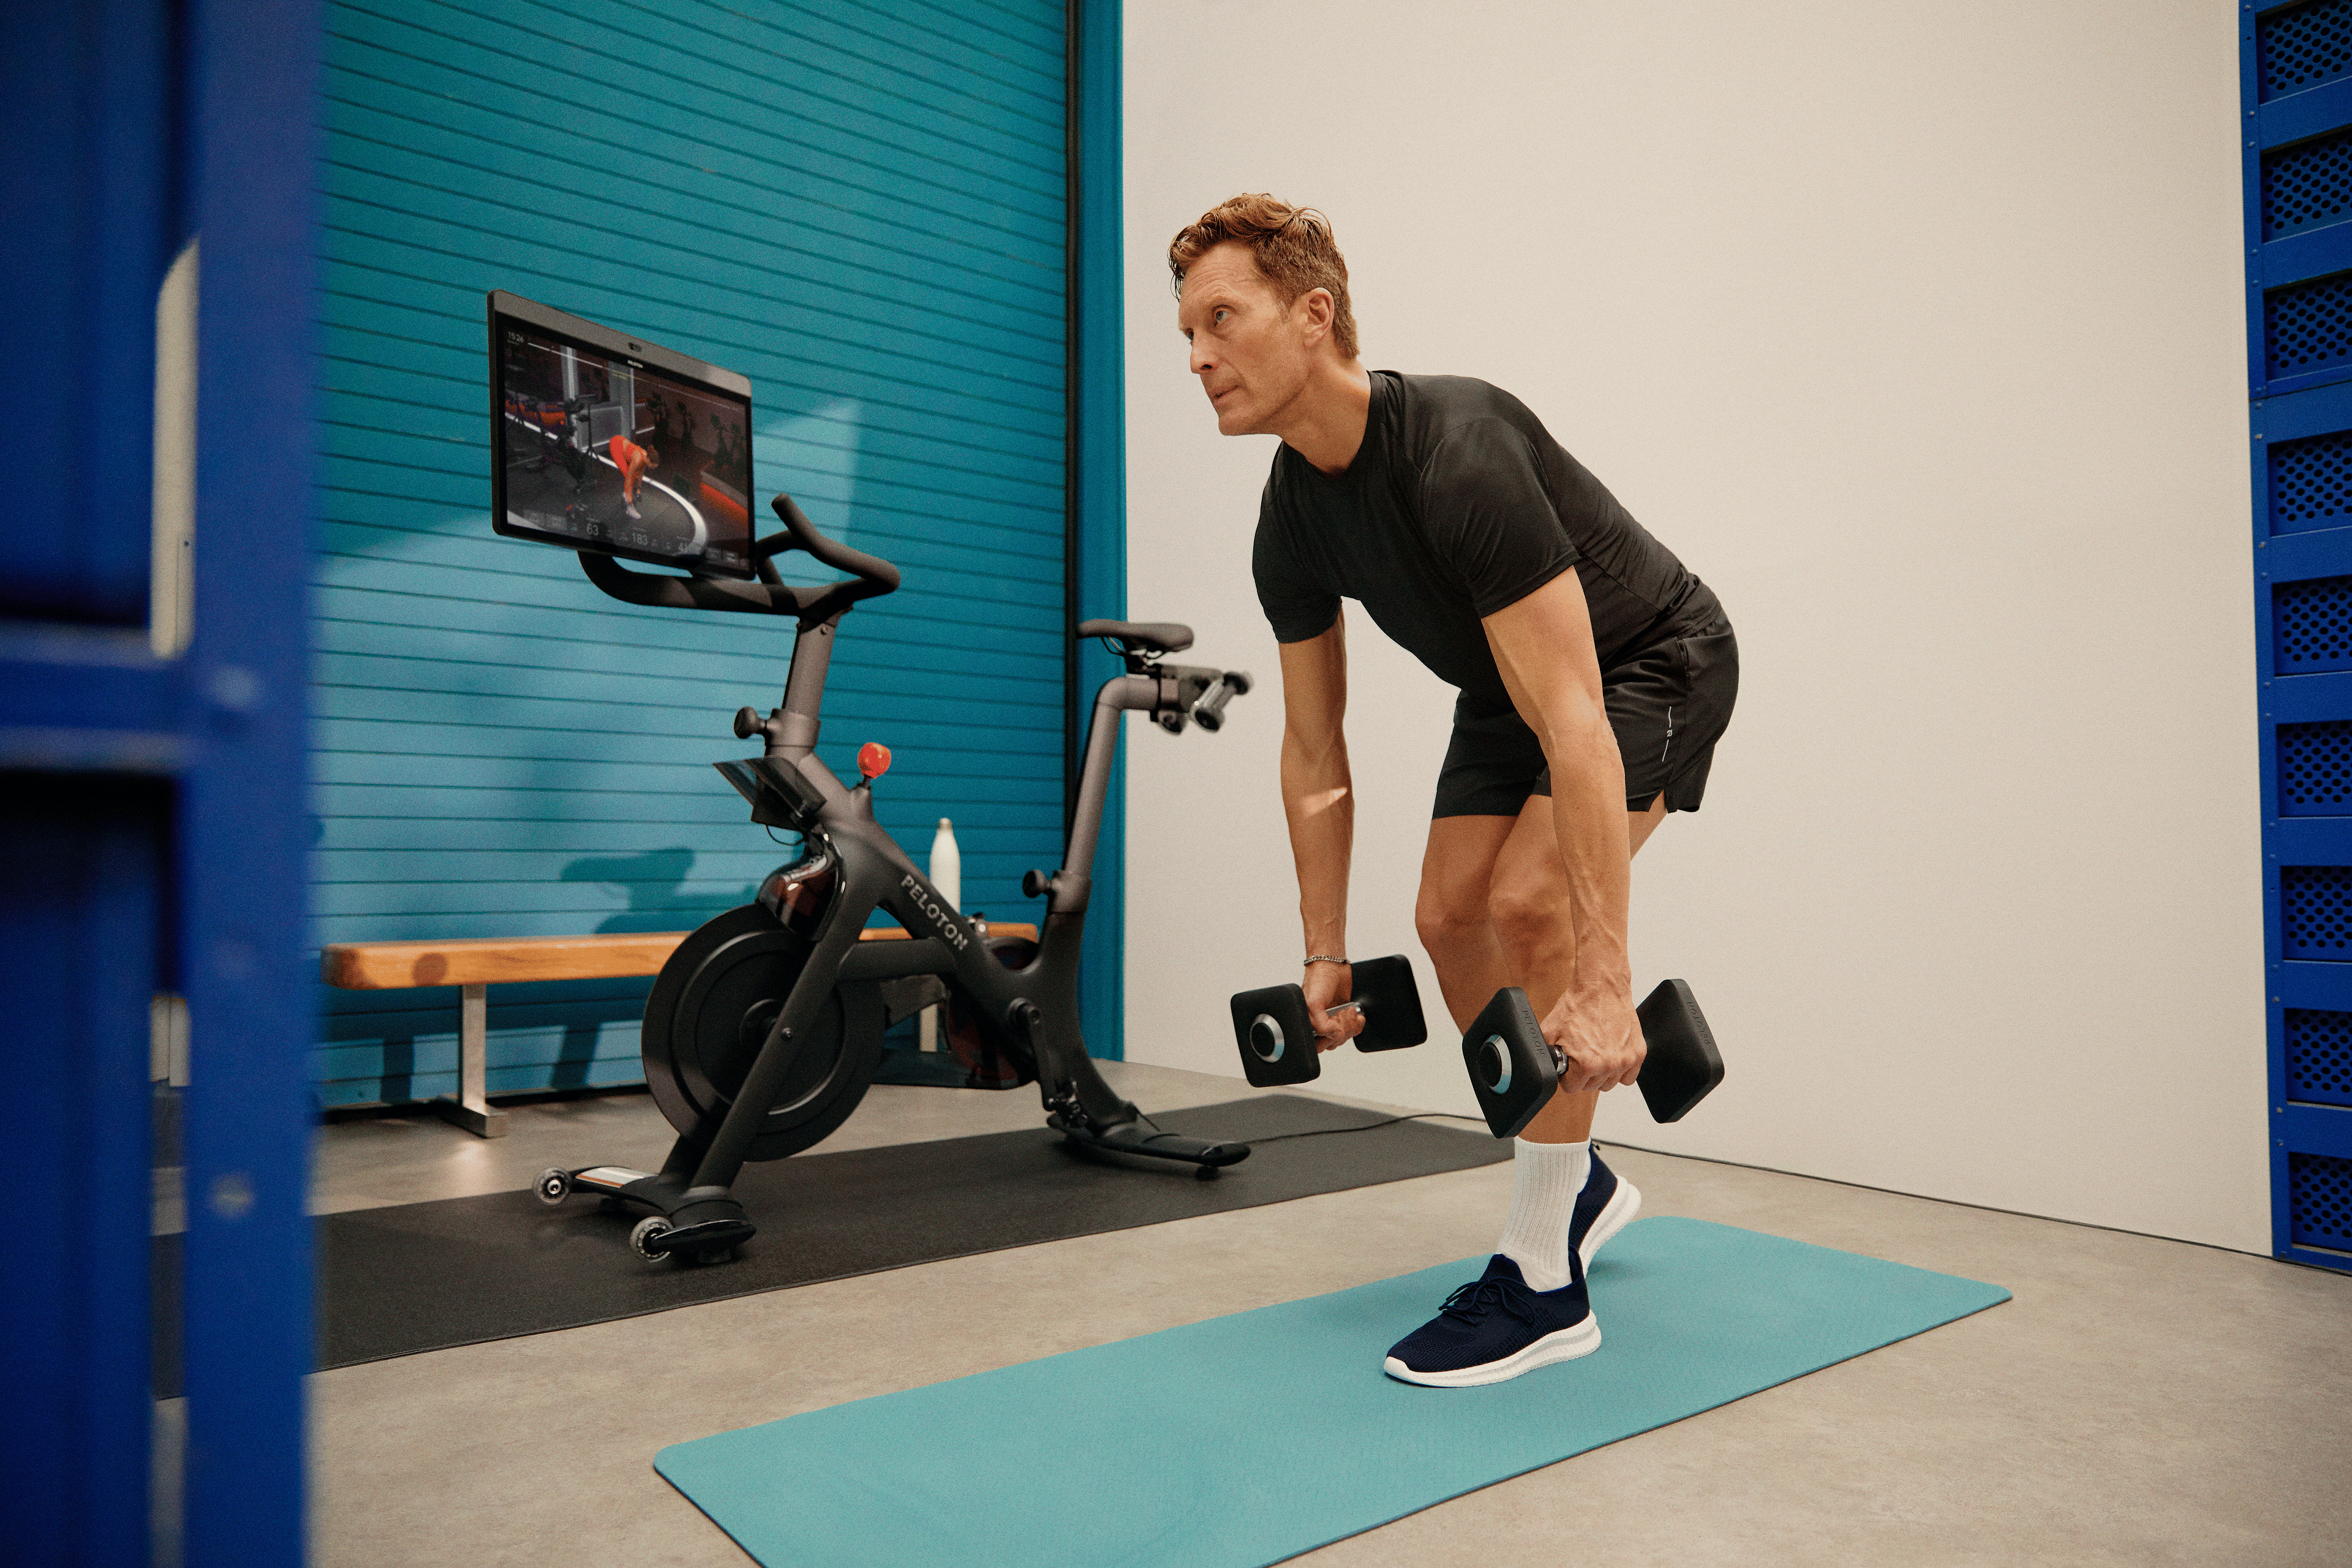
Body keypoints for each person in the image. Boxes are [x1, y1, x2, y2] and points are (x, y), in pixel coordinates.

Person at [1170, 195, 1738, 1387]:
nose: (1198, 354)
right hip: (1507, 680)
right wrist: (1323, 949)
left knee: (1532, 906)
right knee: (1445, 916)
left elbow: (1577, 717)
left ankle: (1543, 1277)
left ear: (1314, 312)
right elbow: (1314, 750)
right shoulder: (1291, 513)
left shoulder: (1457, 447)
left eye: (1223, 317)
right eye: (1187, 330)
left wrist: (1603, 976)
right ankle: (1574, 1175)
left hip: (1647, 656)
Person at [609, 432, 660, 521]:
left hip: (620, 440)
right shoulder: (637, 460)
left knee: (634, 475)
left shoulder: (644, 456)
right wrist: (629, 499)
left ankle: (627, 495)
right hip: (615, 446)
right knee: (630, 477)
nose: (652, 469)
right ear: (649, 460)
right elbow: (629, 479)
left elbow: (640, 473)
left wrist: (639, 489)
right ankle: (630, 509)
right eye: (652, 466)